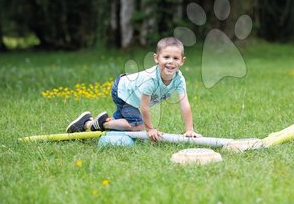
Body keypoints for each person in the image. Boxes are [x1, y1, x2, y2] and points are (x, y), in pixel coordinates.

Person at [66, 37, 201, 141]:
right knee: (138, 126)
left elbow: (185, 104)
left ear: (182, 61)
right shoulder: (151, 79)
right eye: (166, 57)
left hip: (130, 94)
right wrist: (149, 129)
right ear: (156, 58)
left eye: (175, 58)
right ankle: (103, 124)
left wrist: (189, 129)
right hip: (123, 91)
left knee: (126, 123)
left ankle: (87, 124)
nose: (171, 61)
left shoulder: (179, 79)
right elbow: (144, 107)